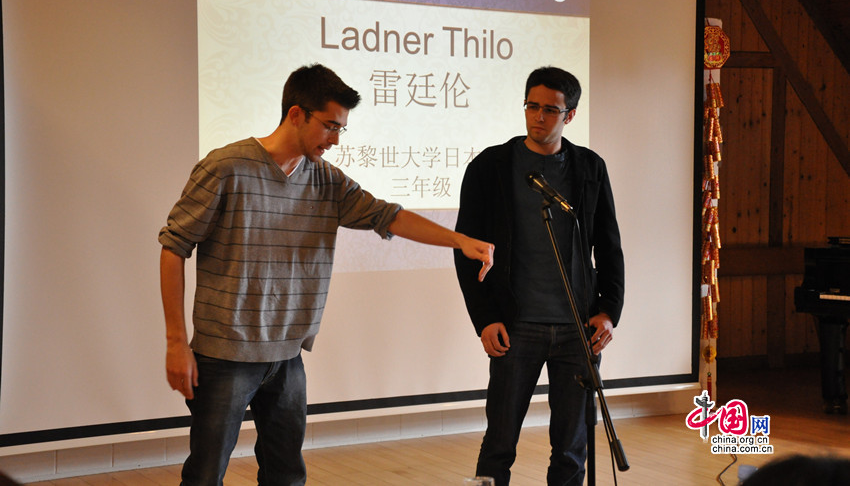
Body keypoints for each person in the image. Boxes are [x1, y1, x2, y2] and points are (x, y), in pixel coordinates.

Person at [159, 63, 494, 485]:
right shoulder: (226, 167)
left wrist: (459, 240)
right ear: (297, 114)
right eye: (329, 127)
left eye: (342, 130)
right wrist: (175, 342)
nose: (335, 140)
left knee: (286, 474)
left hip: (287, 356)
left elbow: (386, 216)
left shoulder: (326, 181)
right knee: (206, 475)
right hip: (225, 353)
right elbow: (174, 247)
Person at [453, 66, 624, 485]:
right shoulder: (490, 166)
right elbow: (465, 250)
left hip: (577, 328)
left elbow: (609, 245)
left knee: (571, 447)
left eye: (551, 109)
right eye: (532, 106)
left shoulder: (588, 167)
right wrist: (485, 318)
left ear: (571, 115)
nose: (538, 117)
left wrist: (607, 311)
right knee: (500, 441)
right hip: (516, 326)